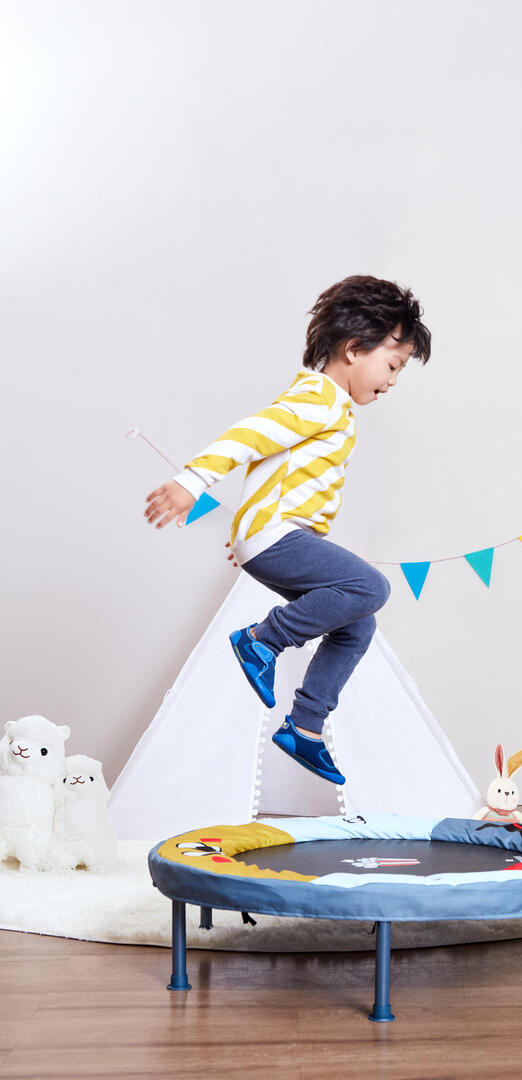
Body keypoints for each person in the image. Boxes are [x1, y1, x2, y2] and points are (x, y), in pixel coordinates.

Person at [144, 275, 431, 785]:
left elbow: (275, 467)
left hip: (277, 536)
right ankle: (262, 640)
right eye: (392, 365)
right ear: (353, 348)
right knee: (372, 587)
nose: (391, 381)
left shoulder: (331, 405)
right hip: (274, 535)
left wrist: (251, 533)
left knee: (358, 622)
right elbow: (253, 435)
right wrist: (193, 480)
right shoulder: (319, 396)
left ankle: (305, 726)